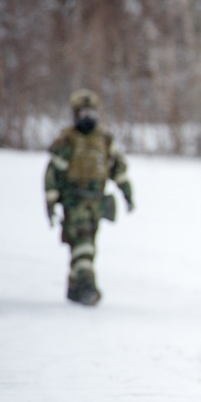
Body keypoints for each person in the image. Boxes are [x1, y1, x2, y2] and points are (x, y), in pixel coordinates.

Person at [44, 88, 135, 306]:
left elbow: (117, 169)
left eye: (91, 114)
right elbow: (52, 173)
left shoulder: (103, 139)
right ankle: (87, 287)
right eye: (83, 115)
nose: (88, 119)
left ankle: (75, 286)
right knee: (83, 245)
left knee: (86, 245)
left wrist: (127, 193)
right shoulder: (68, 141)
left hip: (96, 201)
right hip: (74, 201)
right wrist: (50, 202)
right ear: (75, 115)